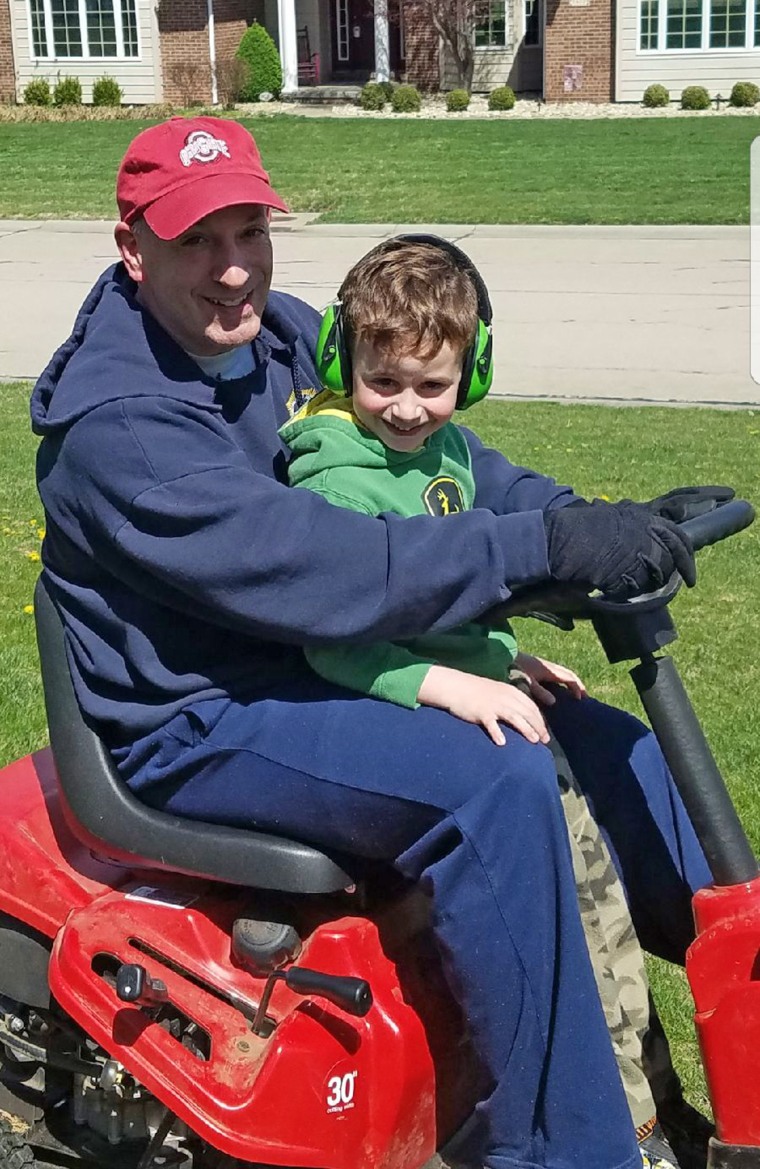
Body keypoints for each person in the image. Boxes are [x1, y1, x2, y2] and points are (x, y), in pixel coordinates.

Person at [31, 115, 713, 1169]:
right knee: (491, 776)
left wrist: (591, 520)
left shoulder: (279, 333)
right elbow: (333, 567)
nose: (231, 269)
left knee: (608, 737)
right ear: (134, 248)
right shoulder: (119, 432)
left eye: (248, 231)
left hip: (308, 658)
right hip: (202, 712)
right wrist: (539, 546)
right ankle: (562, 1149)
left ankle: (728, 984)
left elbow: (438, 458)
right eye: (195, 241)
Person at [278, 236, 688, 1164]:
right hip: (388, 705)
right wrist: (450, 684)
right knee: (576, 915)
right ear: (345, 361)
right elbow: (336, 638)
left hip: (476, 690)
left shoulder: (445, 450)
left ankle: (647, 1104)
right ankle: (613, 1124)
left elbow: (458, 589)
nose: (409, 408)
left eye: (433, 385)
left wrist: (504, 661)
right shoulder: (333, 473)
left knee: (604, 895)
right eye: (385, 383)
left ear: (475, 370)